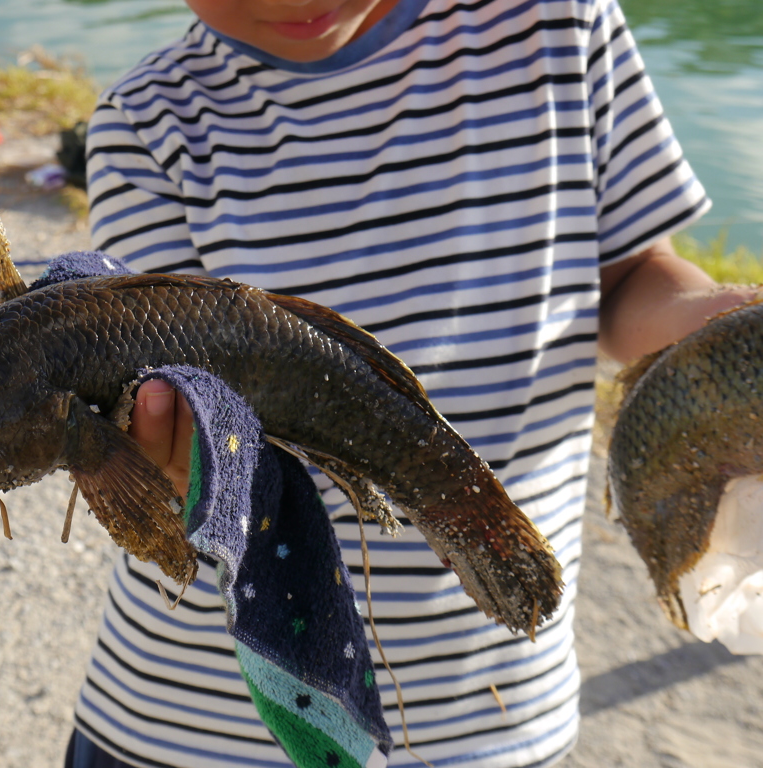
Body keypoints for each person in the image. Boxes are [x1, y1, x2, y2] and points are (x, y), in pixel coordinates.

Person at [64, 1, 757, 766]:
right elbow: (159, 403)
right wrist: (163, 458)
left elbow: (628, 279)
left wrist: (722, 331)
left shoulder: (558, 28)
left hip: (494, 714)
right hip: (193, 726)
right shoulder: (146, 120)